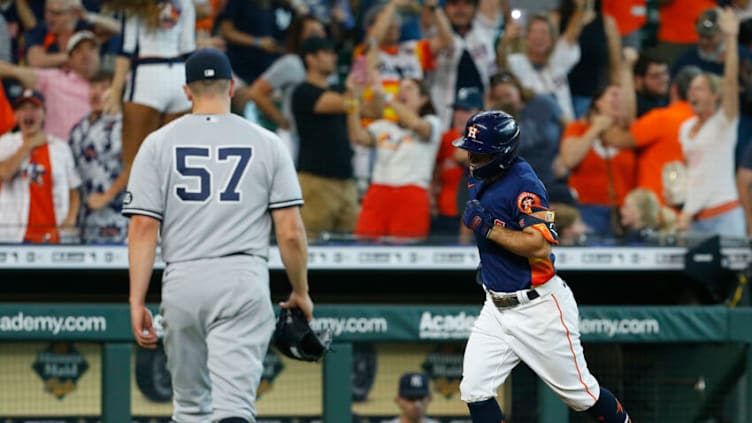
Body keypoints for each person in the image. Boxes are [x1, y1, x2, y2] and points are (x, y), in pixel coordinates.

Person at [125, 48, 314, 423]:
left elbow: (143, 227)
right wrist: (301, 291)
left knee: (191, 408)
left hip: (183, 279)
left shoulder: (158, 142)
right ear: (231, 87)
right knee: (234, 409)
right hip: (240, 278)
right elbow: (290, 232)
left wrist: (136, 299)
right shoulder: (267, 142)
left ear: (186, 91)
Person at [454, 110, 631, 423]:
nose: (472, 158)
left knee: (582, 395)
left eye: (479, 153)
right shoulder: (481, 177)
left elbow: (539, 244)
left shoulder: (525, 185)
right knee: (475, 390)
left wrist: (489, 228)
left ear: (502, 153)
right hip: (496, 307)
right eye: (471, 150)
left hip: (538, 308)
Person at [104, 0, 196, 217]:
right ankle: (175, 223)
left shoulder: (136, 5)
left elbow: (127, 50)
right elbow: (189, 50)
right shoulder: (185, 4)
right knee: (176, 164)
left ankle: (138, 222)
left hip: (147, 78)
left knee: (136, 163)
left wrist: (116, 91)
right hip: (179, 78)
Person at [677, 8, 745, 238]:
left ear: (715, 96)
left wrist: (732, 38)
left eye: (699, 88)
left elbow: (730, 83)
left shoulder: (724, 123)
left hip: (724, 215)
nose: (692, 93)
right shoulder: (685, 128)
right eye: (691, 88)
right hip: (694, 219)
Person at [347, 76, 442, 239]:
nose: (401, 92)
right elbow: (357, 137)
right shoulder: (383, 126)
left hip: (411, 194)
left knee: (404, 253)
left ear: (423, 99)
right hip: (378, 192)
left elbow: (416, 125)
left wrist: (387, 97)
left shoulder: (432, 123)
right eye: (400, 88)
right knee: (364, 247)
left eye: (409, 88)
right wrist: (353, 100)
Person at [292, 36, 359, 240]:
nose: (334, 57)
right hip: (316, 180)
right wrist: (354, 96)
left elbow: (371, 109)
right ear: (310, 59)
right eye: (327, 53)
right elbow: (342, 104)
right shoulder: (303, 92)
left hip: (346, 181)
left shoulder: (341, 92)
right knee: (310, 245)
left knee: (349, 247)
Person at [0, 89, 81, 243]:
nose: (28, 113)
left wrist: (70, 220)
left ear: (44, 114)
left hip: (53, 236)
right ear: (16, 115)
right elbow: (4, 173)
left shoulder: (60, 147)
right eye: (23, 109)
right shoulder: (5, 143)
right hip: (13, 236)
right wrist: (28, 146)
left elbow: (74, 190)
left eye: (34, 108)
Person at [0, 30, 101, 140]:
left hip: (97, 153)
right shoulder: (54, 79)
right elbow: (13, 71)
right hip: (58, 151)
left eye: (91, 49)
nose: (86, 54)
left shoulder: (111, 86)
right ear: (69, 58)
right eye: (79, 51)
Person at [69, 70, 128, 244]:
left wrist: (107, 196)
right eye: (93, 87)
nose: (97, 93)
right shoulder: (78, 129)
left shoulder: (124, 126)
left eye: (104, 88)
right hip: (86, 221)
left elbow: (134, 166)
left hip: (118, 219)